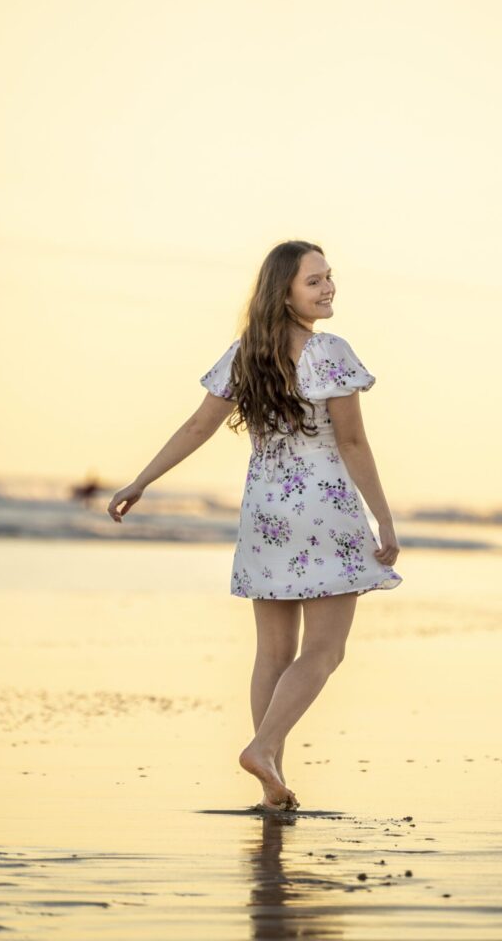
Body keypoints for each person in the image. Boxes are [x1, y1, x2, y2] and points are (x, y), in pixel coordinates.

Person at [108, 241, 403, 812]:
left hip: (266, 512)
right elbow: (351, 441)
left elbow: (197, 427)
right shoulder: (330, 352)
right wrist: (383, 520)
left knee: (272, 652)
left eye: (328, 277)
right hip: (323, 510)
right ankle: (264, 747)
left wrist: (140, 480)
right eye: (314, 281)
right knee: (324, 651)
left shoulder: (247, 354)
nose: (328, 288)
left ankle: (272, 777)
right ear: (285, 292)